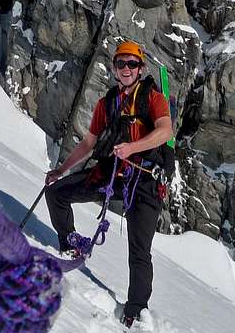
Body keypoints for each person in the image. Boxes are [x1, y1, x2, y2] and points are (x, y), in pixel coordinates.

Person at [44, 40, 173, 328]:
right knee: (57, 193)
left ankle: (136, 308)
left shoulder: (153, 99)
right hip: (114, 173)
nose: (126, 69)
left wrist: (133, 147)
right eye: (121, 63)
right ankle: (69, 245)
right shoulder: (107, 103)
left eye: (132, 64)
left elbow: (165, 131)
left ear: (140, 68)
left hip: (146, 180)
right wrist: (62, 169)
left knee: (139, 249)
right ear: (114, 67)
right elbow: (89, 143)